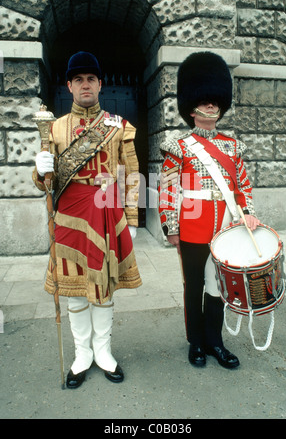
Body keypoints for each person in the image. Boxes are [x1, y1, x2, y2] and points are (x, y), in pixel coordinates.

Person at [33, 51, 142, 388]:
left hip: (107, 211)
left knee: (105, 286)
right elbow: (45, 184)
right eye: (78, 79)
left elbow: (131, 173)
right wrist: (40, 171)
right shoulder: (55, 128)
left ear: (99, 84)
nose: (85, 84)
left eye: (90, 79)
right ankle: (82, 354)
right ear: (68, 86)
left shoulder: (117, 126)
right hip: (68, 214)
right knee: (77, 291)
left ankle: (104, 351)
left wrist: (133, 217)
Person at [158, 52, 260, 369]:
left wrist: (248, 213)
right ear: (192, 107)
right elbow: (168, 189)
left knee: (218, 288)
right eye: (205, 101)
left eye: (216, 101)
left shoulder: (232, 146)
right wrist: (171, 227)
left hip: (225, 229)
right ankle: (196, 343)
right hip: (192, 228)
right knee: (195, 288)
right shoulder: (180, 146)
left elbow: (242, 185)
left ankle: (215, 342)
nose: (212, 105)